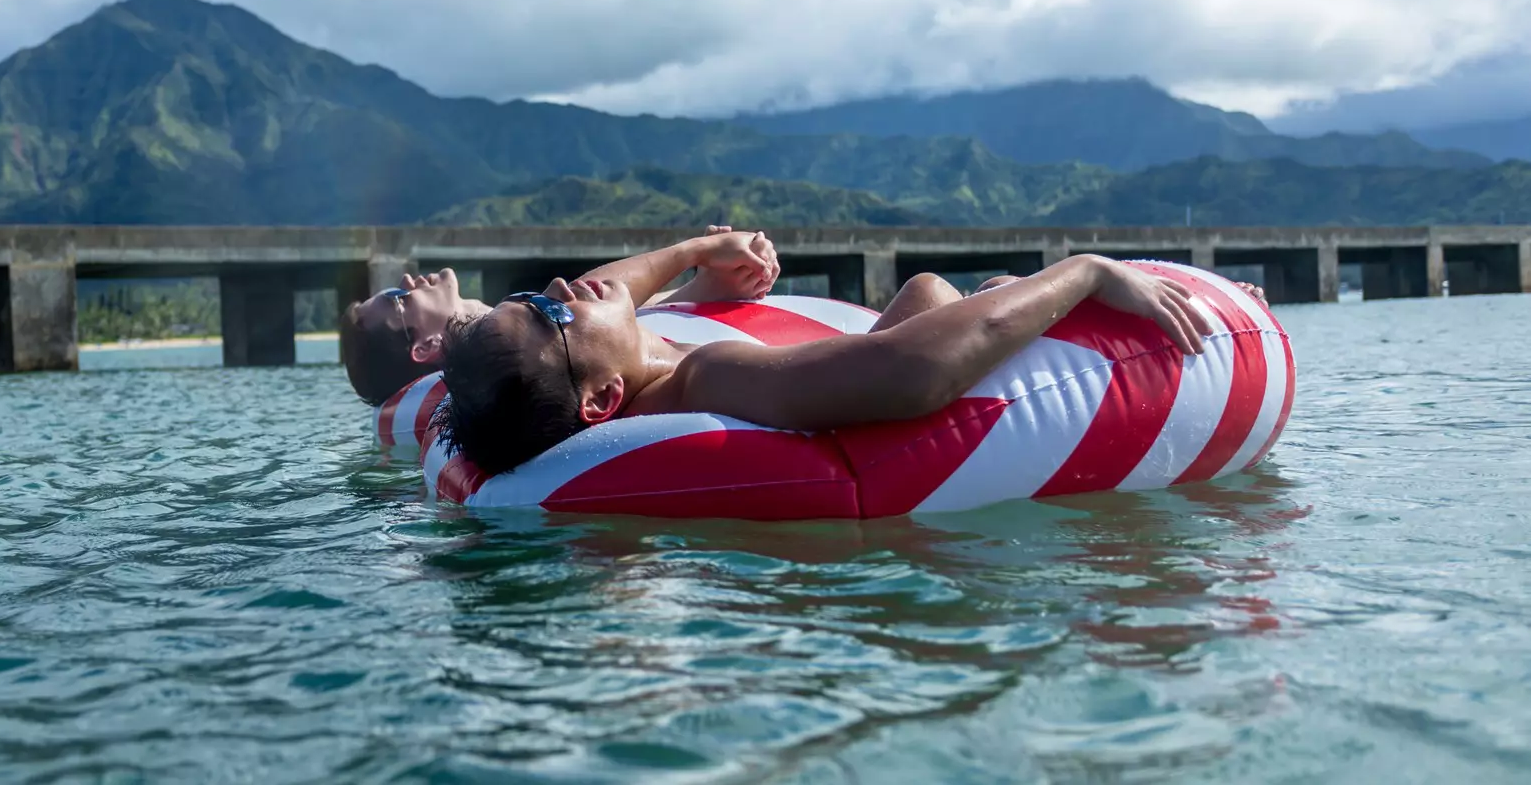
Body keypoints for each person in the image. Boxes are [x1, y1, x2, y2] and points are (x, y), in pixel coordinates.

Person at [434, 255, 1220, 478]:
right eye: (551, 314)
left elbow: (602, 302)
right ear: (604, 399)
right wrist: (1083, 275)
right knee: (934, 295)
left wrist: (699, 264)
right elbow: (908, 375)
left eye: (536, 293)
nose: (567, 287)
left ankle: (991, 298)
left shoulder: (626, 376)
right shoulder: (711, 378)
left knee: (924, 290)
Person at [338, 230, 782, 405]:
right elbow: (585, 325)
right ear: (426, 347)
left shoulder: (529, 349)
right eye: (399, 299)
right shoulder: (507, 374)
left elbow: (609, 325)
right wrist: (693, 252)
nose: (410, 280)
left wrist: (703, 287)